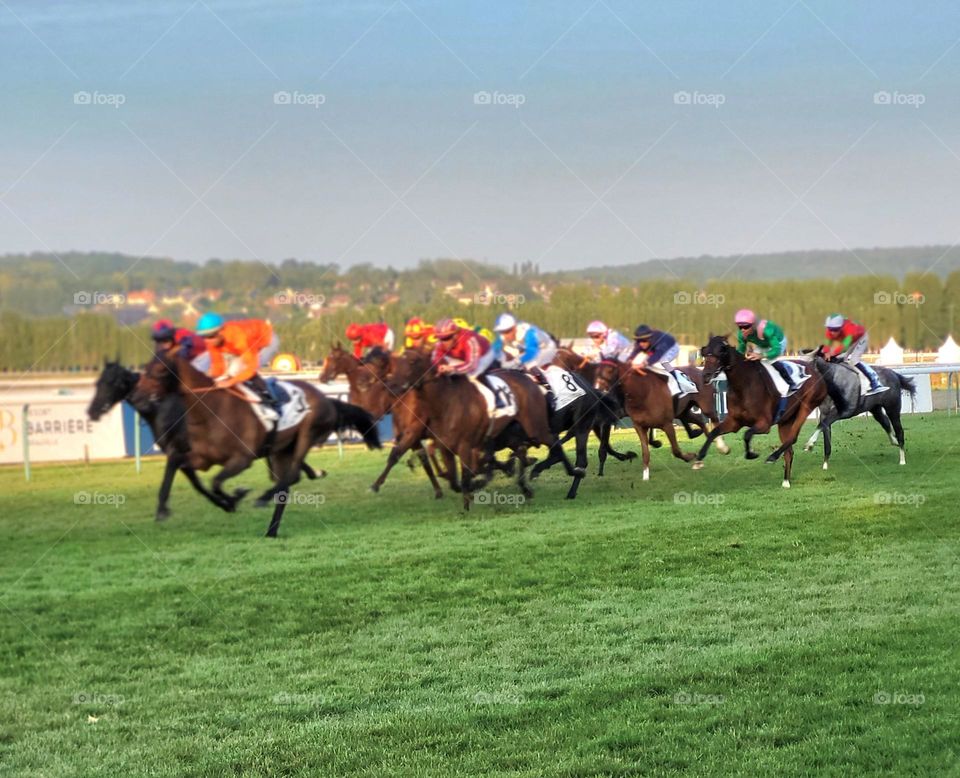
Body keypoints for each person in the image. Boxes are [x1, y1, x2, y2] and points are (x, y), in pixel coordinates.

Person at [195, 313, 281, 410]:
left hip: (267, 341)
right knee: (229, 373)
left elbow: (250, 368)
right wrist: (211, 380)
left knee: (238, 370)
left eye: (210, 336)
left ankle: (268, 395)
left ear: (221, 331)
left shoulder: (238, 337)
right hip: (246, 345)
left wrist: (230, 382)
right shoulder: (212, 342)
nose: (207, 341)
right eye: (203, 337)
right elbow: (218, 366)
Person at [734, 308, 806, 420]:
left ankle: (790, 382)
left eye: (746, 327)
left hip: (777, 343)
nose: (743, 330)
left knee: (770, 361)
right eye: (740, 327)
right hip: (762, 344)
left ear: (753, 325)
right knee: (752, 361)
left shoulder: (767, 330)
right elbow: (741, 349)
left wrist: (762, 356)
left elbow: (776, 350)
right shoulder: (741, 334)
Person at [430, 318, 503, 404]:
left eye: (447, 338)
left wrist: (452, 369)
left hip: (484, 355)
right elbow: (435, 358)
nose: (444, 342)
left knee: (471, 375)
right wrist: (439, 366)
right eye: (441, 338)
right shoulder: (440, 343)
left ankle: (497, 397)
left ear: (455, 335)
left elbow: (471, 365)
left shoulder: (469, 339)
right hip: (462, 356)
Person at [822, 313, 887, 394]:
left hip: (861, 337)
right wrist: (825, 352)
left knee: (854, 360)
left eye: (835, 330)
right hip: (850, 339)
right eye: (830, 329)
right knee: (840, 358)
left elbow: (844, 346)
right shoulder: (830, 330)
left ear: (841, 327)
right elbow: (827, 343)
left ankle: (875, 383)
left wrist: (832, 353)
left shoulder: (849, 330)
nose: (832, 332)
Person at [627, 324, 695, 397]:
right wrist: (629, 361)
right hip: (655, 349)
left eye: (644, 340)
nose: (641, 343)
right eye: (638, 341)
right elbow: (634, 353)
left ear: (650, 338)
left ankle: (679, 382)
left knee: (663, 362)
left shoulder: (659, 340)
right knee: (640, 363)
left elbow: (658, 355)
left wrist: (644, 364)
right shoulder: (640, 343)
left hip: (671, 348)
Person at [491, 313, 557, 383]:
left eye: (507, 332)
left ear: (514, 328)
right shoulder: (503, 336)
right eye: (501, 332)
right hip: (525, 349)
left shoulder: (529, 332)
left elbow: (532, 352)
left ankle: (546, 384)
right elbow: (495, 349)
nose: (504, 335)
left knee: (530, 363)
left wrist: (517, 361)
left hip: (545, 348)